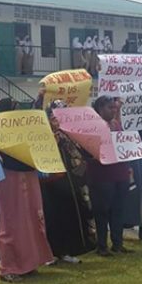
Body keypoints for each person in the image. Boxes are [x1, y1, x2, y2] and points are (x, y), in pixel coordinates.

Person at [0, 98, 54, 282]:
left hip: (29, 174)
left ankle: (29, 263)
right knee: (11, 222)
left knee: (32, 218)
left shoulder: (24, 130)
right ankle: (9, 267)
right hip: (9, 177)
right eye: (13, 109)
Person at [40, 100, 96, 263]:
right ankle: (52, 252)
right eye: (54, 117)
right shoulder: (43, 136)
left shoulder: (70, 134)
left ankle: (70, 249)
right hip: (52, 185)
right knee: (53, 218)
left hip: (72, 184)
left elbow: (82, 152)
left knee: (71, 215)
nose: (57, 121)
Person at [87, 96, 132, 255]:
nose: (113, 111)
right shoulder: (93, 127)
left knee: (118, 210)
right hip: (101, 176)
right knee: (102, 212)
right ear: (100, 108)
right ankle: (102, 246)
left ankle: (117, 243)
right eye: (110, 108)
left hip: (120, 174)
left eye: (114, 108)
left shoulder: (116, 124)